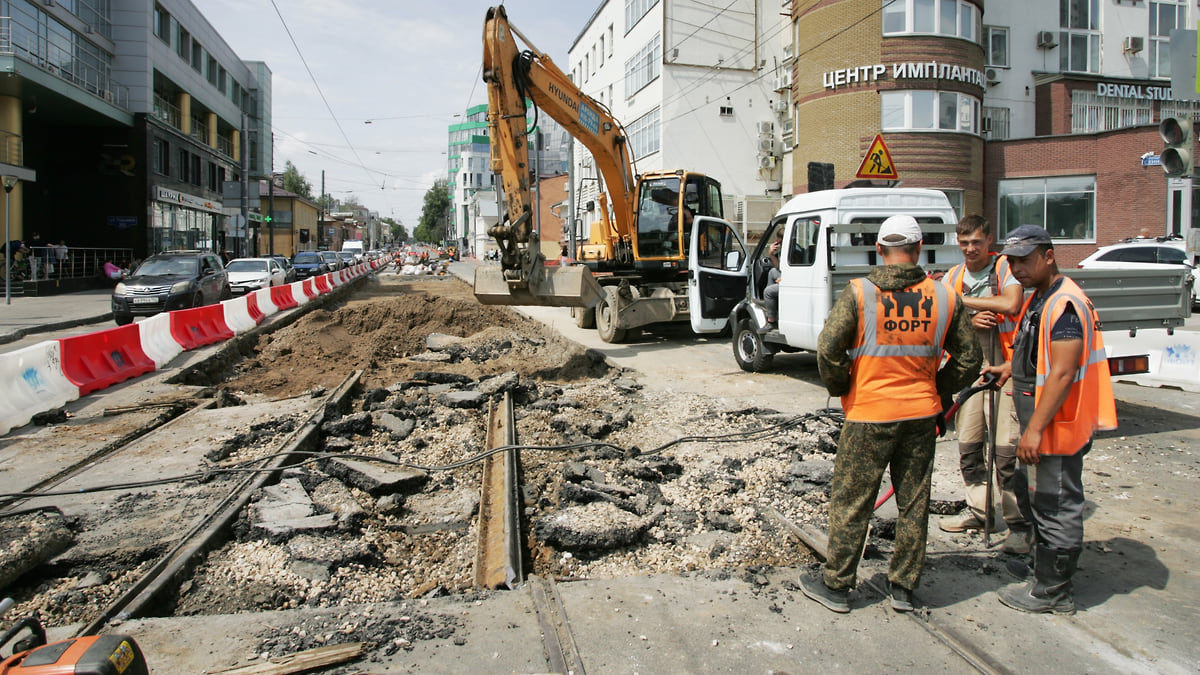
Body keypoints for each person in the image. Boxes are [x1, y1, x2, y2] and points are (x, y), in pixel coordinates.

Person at [803, 215, 981, 613]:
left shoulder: (860, 293)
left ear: (879, 251)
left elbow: (828, 350)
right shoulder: (945, 297)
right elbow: (970, 358)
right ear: (919, 250)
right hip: (920, 416)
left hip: (869, 414)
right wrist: (938, 389)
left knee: (852, 500)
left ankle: (836, 585)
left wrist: (842, 387)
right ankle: (903, 587)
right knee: (914, 502)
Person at [984, 225, 1116, 615]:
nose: (1017, 269)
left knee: (1057, 503)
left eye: (1025, 260)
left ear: (1048, 255)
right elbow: (1040, 356)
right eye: (1012, 261)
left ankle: (1053, 590)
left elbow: (1061, 372)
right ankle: (1040, 567)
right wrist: (1011, 367)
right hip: (1042, 423)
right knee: (1036, 498)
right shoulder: (1042, 298)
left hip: (1058, 426)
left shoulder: (1065, 305)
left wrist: (1036, 430)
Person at [937, 215, 1032, 555]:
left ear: (989, 240)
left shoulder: (1003, 268)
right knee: (970, 445)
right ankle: (980, 511)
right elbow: (943, 312)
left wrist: (964, 302)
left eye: (976, 242)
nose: (970, 249)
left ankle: (1019, 524)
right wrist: (970, 316)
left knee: (1006, 451)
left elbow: (1011, 303)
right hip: (970, 369)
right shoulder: (954, 275)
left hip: (1004, 365)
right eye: (964, 243)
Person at [763, 234, 782, 324]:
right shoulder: (784, 250)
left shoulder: (795, 250)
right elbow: (779, 266)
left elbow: (797, 269)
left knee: (768, 292)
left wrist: (785, 279)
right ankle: (770, 306)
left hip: (795, 280)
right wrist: (771, 254)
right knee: (772, 271)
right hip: (786, 275)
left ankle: (771, 320)